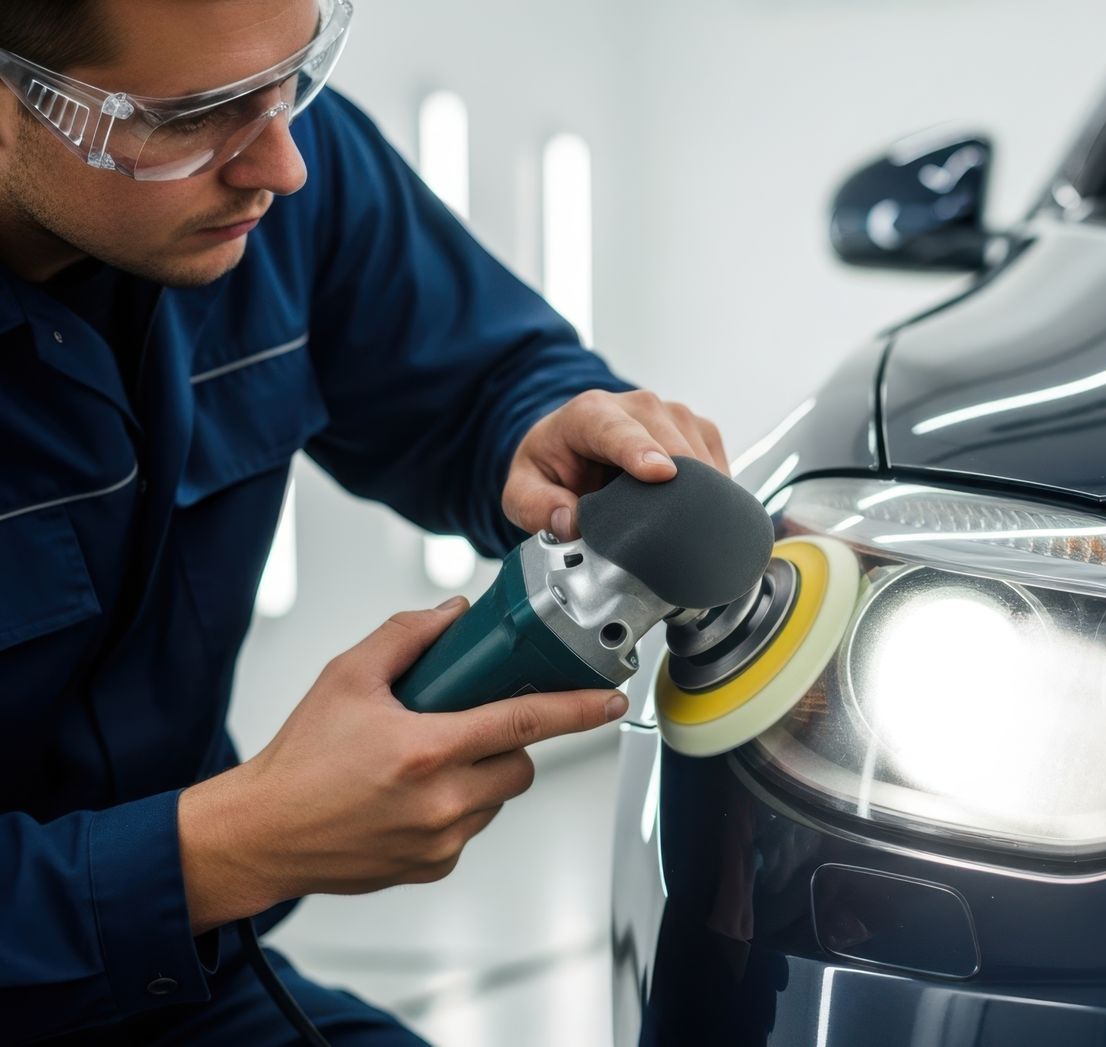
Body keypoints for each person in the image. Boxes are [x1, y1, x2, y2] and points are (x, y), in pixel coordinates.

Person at [0, 0, 728, 1041]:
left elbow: (479, 377)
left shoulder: (275, 172)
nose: (284, 165)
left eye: (294, 76)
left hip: (173, 983)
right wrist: (221, 851)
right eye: (192, 117)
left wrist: (547, 430)